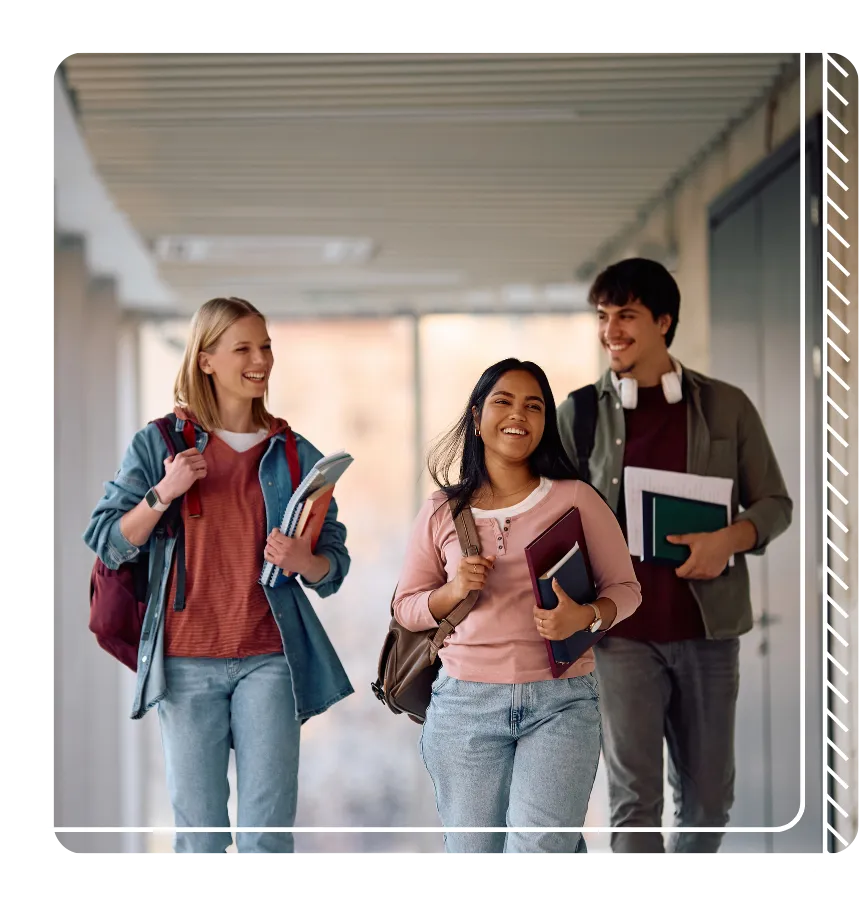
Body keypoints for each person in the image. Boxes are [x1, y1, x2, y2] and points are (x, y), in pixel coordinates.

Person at [84, 296, 352, 856]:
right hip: (185, 663)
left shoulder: (298, 455)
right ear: (205, 359)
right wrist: (163, 493)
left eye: (266, 347)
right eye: (244, 349)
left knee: (267, 838)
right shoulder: (158, 445)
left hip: (270, 659)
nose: (260, 360)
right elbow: (108, 539)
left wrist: (305, 561)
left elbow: (333, 567)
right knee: (199, 837)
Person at [557, 258, 793, 856]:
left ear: (664, 322)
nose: (610, 330)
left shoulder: (727, 407)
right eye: (603, 317)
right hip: (621, 639)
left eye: (627, 316)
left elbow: (774, 503)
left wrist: (730, 539)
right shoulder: (579, 414)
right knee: (635, 803)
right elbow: (548, 515)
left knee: (710, 801)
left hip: (709, 636)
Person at [393, 358, 641, 856]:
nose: (518, 415)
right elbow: (407, 608)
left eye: (534, 406)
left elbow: (626, 589)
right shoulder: (442, 510)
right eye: (503, 401)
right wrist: (452, 590)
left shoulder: (577, 499)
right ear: (477, 415)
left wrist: (586, 616)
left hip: (562, 702)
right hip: (465, 706)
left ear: (545, 423)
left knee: (538, 853)